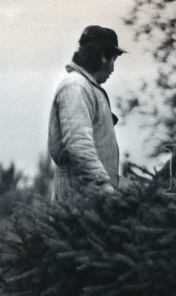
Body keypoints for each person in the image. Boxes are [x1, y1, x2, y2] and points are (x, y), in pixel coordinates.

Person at [48, 25, 125, 203]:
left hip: (91, 196)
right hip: (78, 198)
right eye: (113, 59)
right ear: (103, 57)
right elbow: (78, 143)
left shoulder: (88, 88)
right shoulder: (76, 87)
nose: (113, 69)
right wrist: (103, 185)